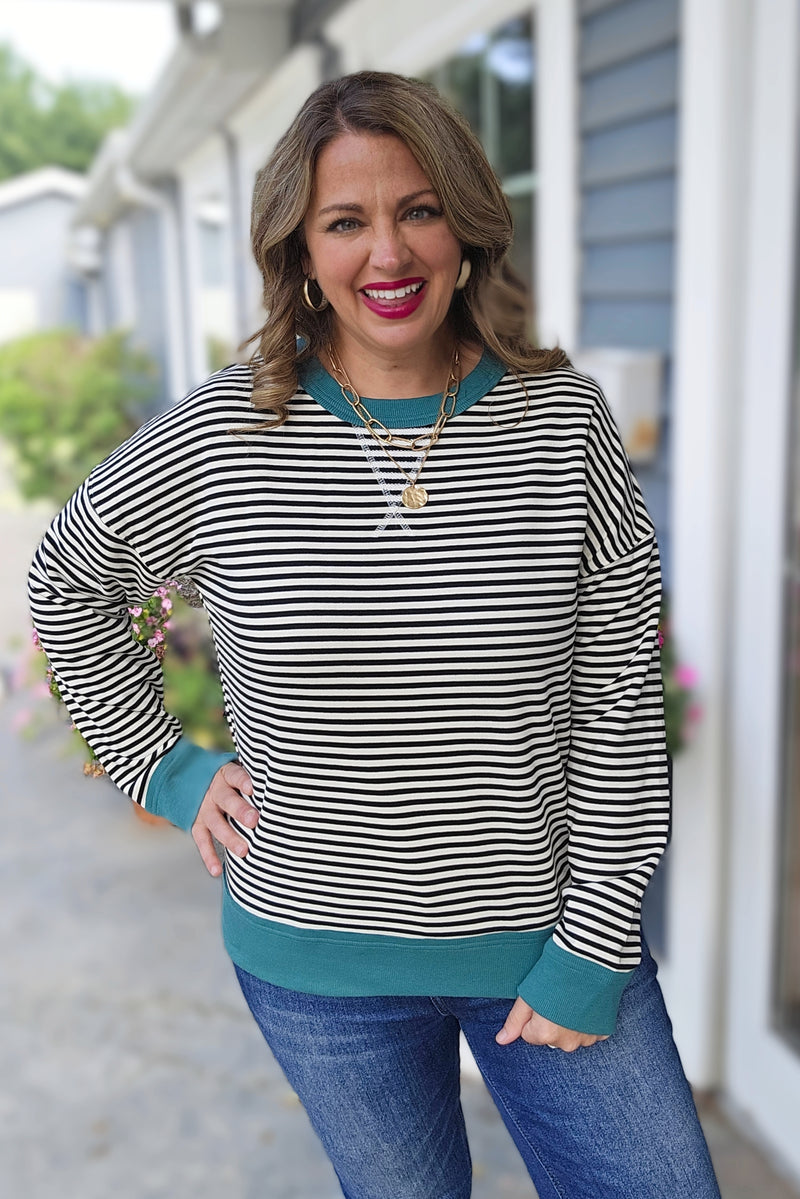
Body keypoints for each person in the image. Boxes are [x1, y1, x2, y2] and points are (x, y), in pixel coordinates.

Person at [29, 71, 721, 1199]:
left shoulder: (562, 424)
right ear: (300, 251)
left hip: (543, 940)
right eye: (344, 221)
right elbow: (68, 577)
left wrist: (596, 941)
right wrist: (162, 764)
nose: (388, 254)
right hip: (314, 965)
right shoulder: (224, 432)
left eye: (419, 210)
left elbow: (614, 700)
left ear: (466, 228)